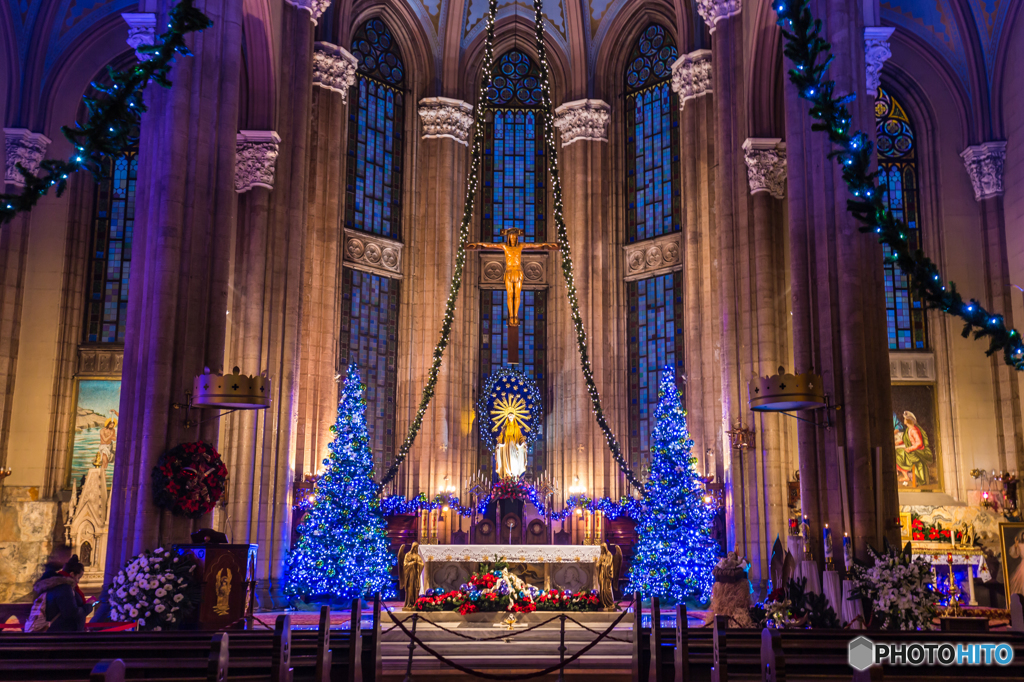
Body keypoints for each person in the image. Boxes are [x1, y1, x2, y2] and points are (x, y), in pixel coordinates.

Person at [27, 555, 92, 632]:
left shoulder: (51, 584)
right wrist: (88, 606)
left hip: (53, 631)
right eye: (78, 577)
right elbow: (71, 614)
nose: (78, 581)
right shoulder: (64, 587)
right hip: (61, 635)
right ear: (72, 574)